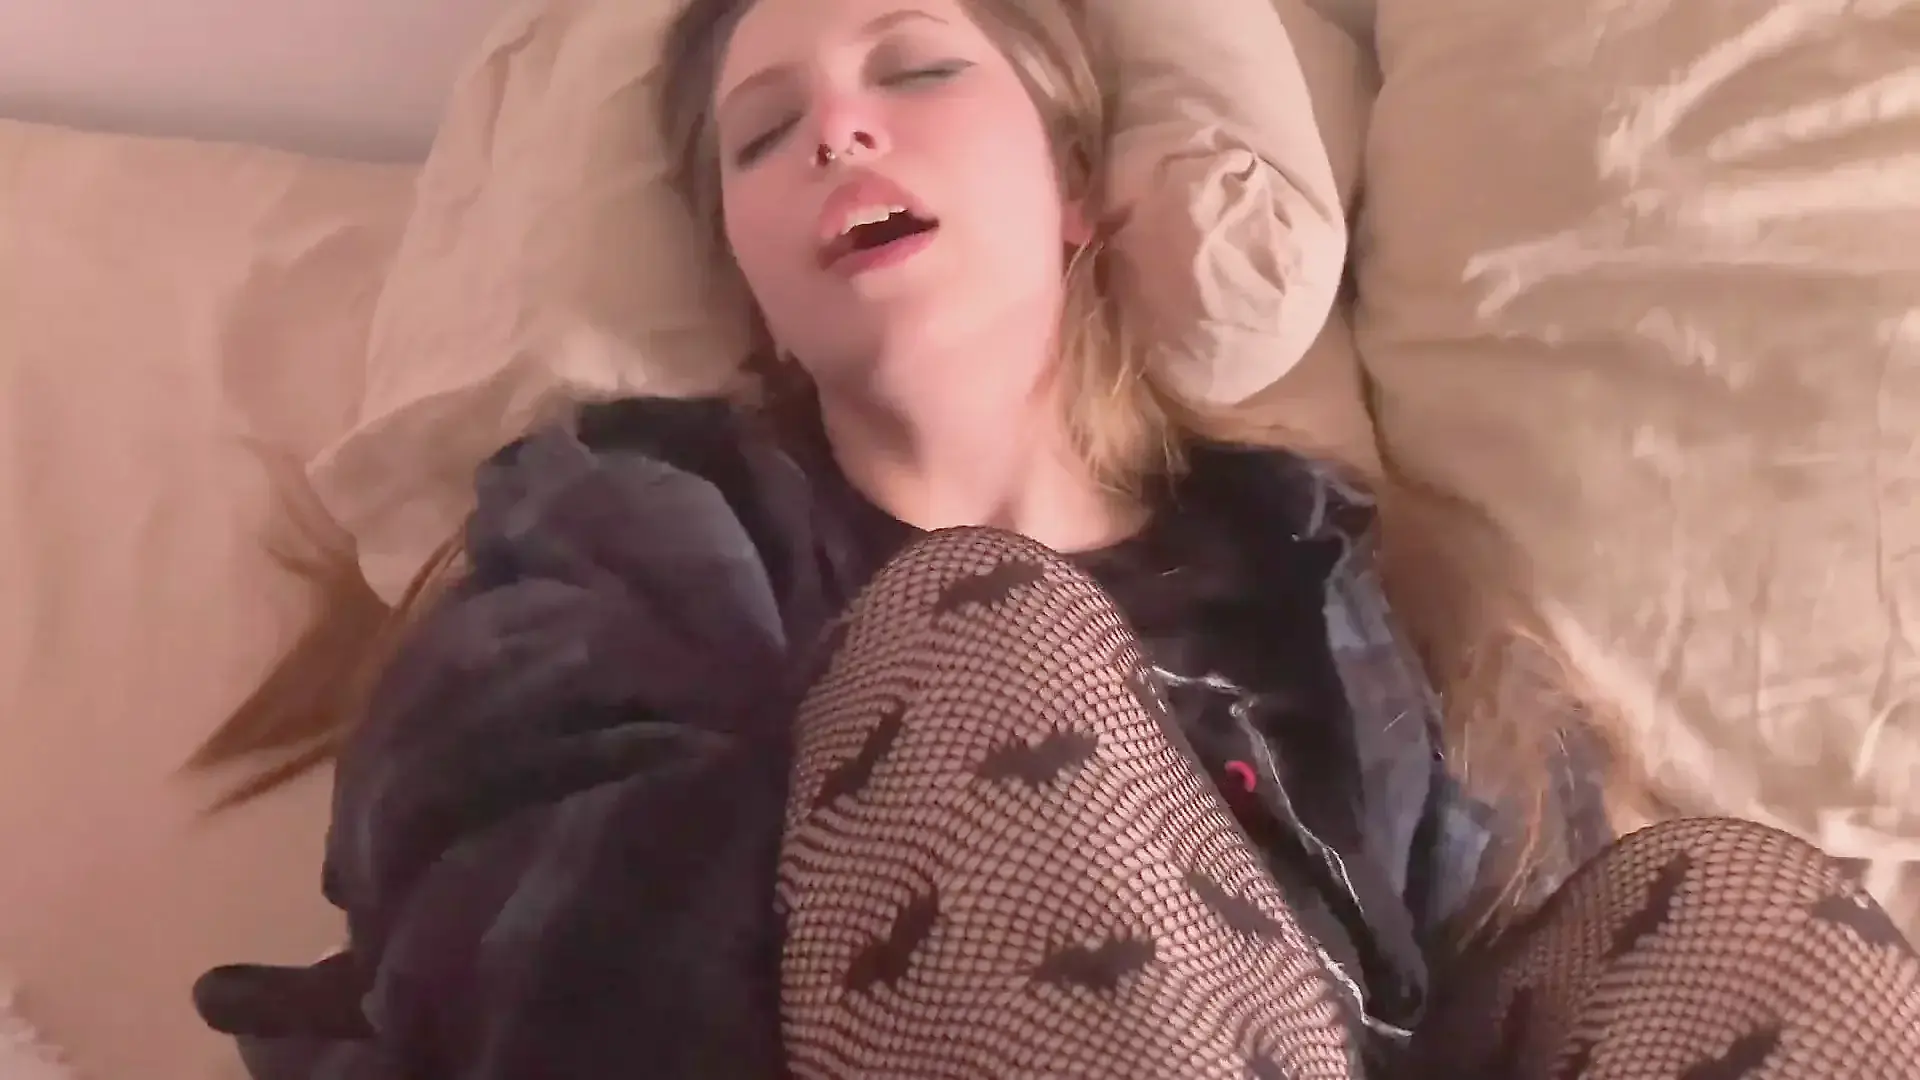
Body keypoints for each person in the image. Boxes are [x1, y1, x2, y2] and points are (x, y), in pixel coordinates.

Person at [188, 0, 1920, 1076]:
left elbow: (1521, 970)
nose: (839, 130)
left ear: (1080, 190)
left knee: (1732, 910)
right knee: (980, 632)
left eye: (918, 67)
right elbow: (512, 961)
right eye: (765, 135)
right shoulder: (628, 532)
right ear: (748, 276)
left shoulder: (1332, 580)